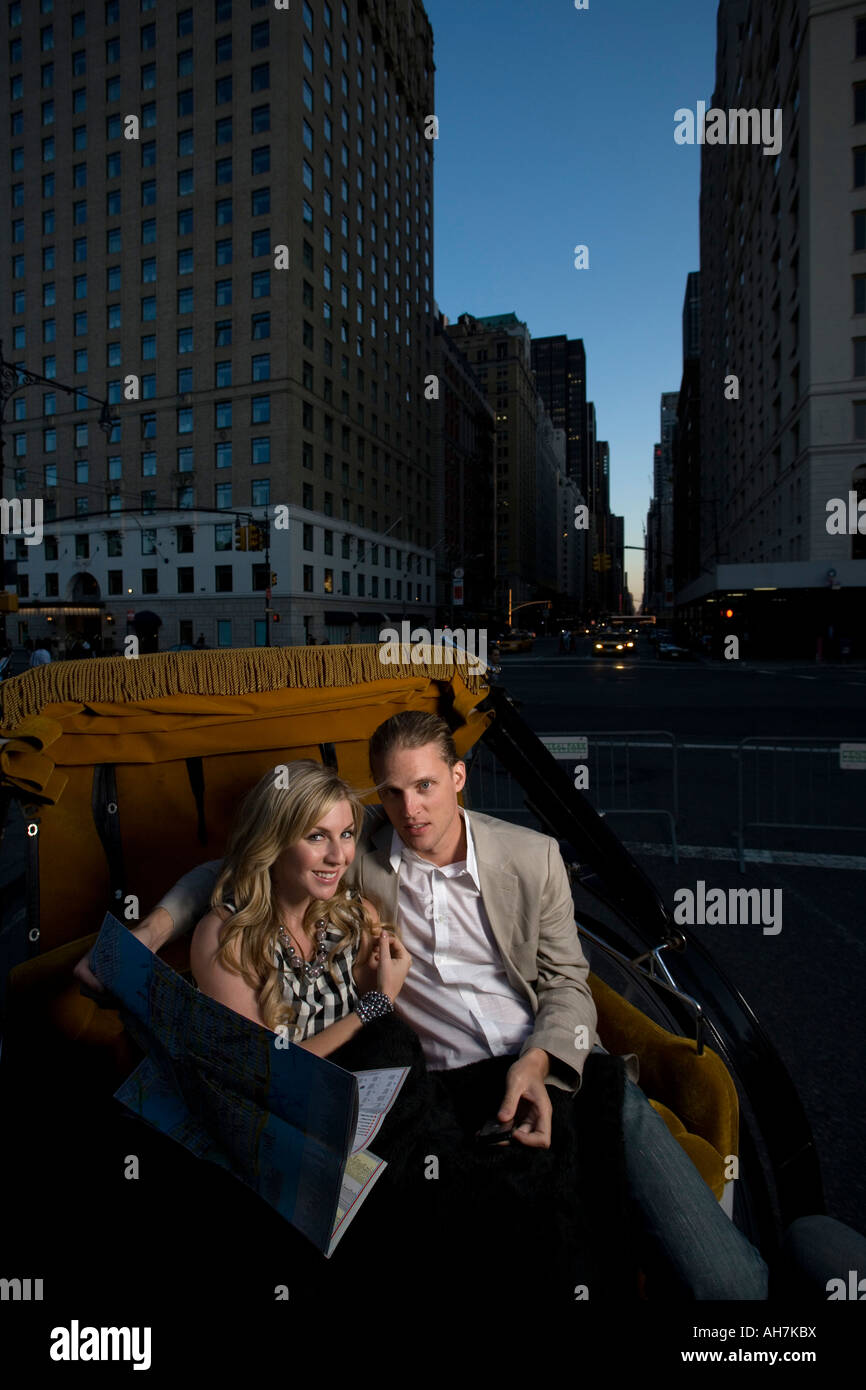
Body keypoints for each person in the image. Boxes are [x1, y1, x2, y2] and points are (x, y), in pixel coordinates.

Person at [75, 712, 768, 1300]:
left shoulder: (532, 858)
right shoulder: (363, 851)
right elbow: (246, 867)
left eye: (428, 786)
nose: (412, 811)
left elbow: (568, 985)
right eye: (396, 792)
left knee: (731, 1283)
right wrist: (145, 934)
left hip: (550, 1067)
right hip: (440, 1091)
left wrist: (541, 1062)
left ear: (458, 778)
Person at [188, 759, 411, 1053]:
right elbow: (270, 1072)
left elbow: (378, 1047)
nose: (338, 856)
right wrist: (376, 1005)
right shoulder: (225, 936)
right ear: (273, 841)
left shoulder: (355, 916)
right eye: (316, 837)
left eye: (346, 834)